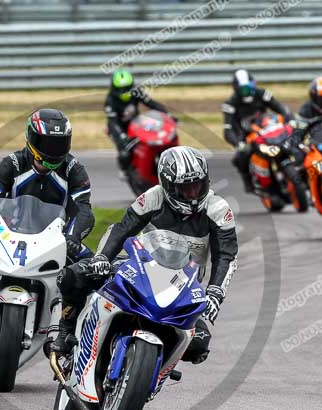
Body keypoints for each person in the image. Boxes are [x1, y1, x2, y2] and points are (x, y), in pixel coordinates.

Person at [51, 146, 238, 365]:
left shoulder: (218, 209)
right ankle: (65, 331)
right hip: (140, 267)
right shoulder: (153, 197)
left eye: (197, 186)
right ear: (167, 186)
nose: (193, 195)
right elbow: (122, 229)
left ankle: (154, 368)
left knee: (199, 344)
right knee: (73, 277)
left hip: (183, 284)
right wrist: (102, 258)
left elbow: (226, 256)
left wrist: (215, 293)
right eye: (185, 189)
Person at [0, 108, 95, 322]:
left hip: (56, 238)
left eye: (60, 144)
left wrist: (73, 237)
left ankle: (70, 321)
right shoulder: (12, 163)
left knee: (91, 267)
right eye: (47, 144)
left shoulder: (73, 169)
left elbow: (84, 209)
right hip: (8, 234)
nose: (54, 151)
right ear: (31, 138)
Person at [222, 68, 292, 193]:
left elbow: (281, 109)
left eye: (250, 86)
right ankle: (248, 181)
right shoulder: (230, 104)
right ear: (236, 89)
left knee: (291, 142)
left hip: (267, 130)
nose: (248, 91)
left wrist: (290, 120)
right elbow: (227, 130)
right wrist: (238, 143)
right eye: (244, 89)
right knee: (240, 158)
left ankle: (297, 168)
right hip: (246, 135)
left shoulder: (262, 94)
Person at [105, 68, 171, 177]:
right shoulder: (110, 101)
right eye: (121, 89)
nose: (125, 91)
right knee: (125, 151)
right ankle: (124, 169)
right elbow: (113, 122)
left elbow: (151, 103)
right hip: (118, 127)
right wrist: (122, 136)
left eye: (127, 88)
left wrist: (167, 114)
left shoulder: (136, 92)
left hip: (134, 123)